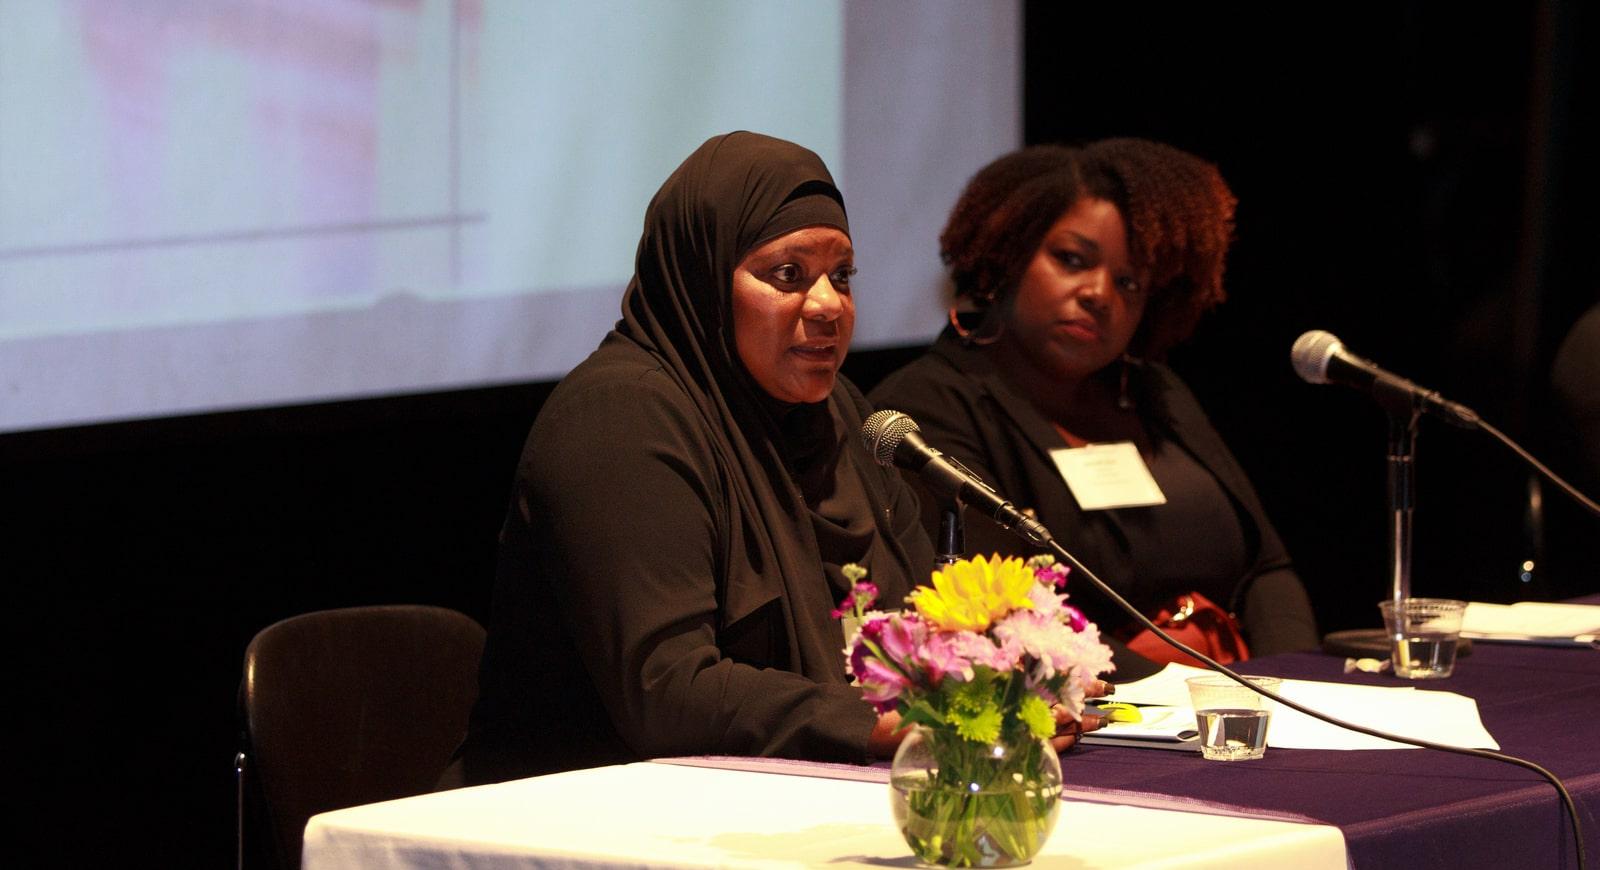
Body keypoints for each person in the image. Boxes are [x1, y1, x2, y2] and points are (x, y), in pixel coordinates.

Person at [447, 132, 1108, 787]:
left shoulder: (846, 416)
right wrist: (877, 723)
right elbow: (668, 689)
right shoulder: (622, 419)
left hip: (781, 791)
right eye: (788, 275)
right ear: (704, 280)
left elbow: (918, 623)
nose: (828, 305)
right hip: (575, 815)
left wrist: (1000, 684)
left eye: (841, 276)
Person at [870, 139, 1318, 680]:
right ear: (1005, 256)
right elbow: (1011, 614)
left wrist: (1295, 683)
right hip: (1114, 719)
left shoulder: (1159, 395)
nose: (1100, 293)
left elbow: (1266, 568)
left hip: (1240, 706)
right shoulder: (928, 406)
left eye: (1128, 281)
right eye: (1071, 260)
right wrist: (1182, 689)